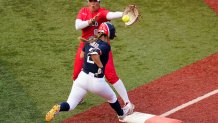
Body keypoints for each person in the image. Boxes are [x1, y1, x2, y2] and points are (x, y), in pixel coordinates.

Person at [45, 22, 134, 122]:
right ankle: (121, 115)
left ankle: (59, 108)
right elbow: (94, 54)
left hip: (82, 78)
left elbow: (82, 56)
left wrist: (90, 48)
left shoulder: (91, 39)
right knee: (112, 97)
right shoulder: (105, 46)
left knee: (70, 105)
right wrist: (100, 65)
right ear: (108, 34)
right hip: (96, 82)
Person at [74, 0, 132, 106]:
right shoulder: (83, 11)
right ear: (88, 2)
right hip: (86, 45)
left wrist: (123, 13)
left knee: (111, 75)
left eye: (95, 1)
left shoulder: (102, 12)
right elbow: (77, 26)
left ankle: (127, 102)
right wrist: (90, 22)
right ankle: (79, 97)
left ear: (99, 2)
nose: (93, 3)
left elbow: (112, 14)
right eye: (91, 1)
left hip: (102, 47)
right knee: (76, 74)